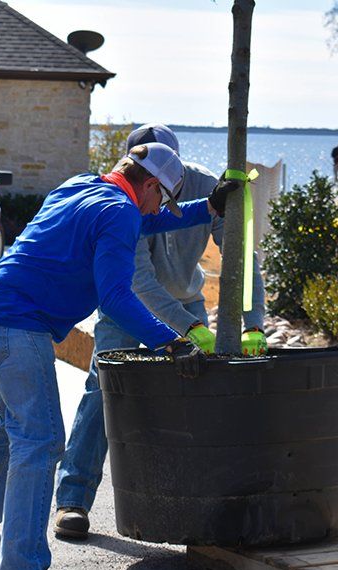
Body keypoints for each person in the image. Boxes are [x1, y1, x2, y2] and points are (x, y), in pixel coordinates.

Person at [0, 142, 237, 570]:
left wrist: (209, 206)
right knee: (40, 441)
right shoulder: (120, 212)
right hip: (17, 327)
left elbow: (147, 219)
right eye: (162, 196)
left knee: (11, 428)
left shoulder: (80, 186)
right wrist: (172, 341)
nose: (161, 207)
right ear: (148, 184)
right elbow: (118, 298)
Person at [53, 123, 268, 541]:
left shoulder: (207, 186)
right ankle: (72, 500)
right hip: (125, 308)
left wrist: (253, 320)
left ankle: (201, 498)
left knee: (199, 395)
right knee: (103, 392)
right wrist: (185, 330)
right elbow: (138, 282)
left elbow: (241, 256)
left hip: (187, 300)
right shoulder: (122, 199)